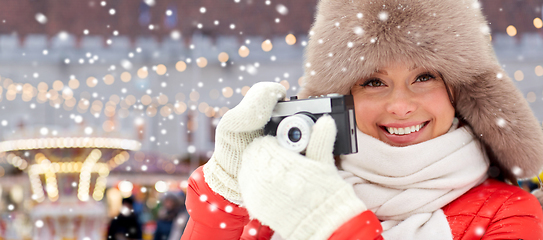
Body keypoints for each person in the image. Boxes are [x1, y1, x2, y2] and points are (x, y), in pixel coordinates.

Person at [181, 0, 543, 239]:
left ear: (460, 91)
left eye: (424, 77)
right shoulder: (284, 201)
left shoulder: (508, 213)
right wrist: (226, 193)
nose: (400, 105)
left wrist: (333, 224)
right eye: (373, 81)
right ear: (341, 98)